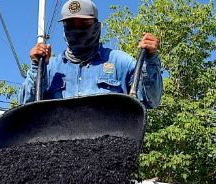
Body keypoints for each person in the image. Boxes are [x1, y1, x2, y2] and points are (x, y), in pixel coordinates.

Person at [19, 0, 162, 108]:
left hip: (110, 145)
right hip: (58, 145)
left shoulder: (120, 62)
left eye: (83, 24)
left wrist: (150, 59)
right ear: (64, 29)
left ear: (97, 27)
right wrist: (36, 67)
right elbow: (25, 108)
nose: (77, 30)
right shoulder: (49, 68)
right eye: (71, 25)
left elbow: (152, 100)